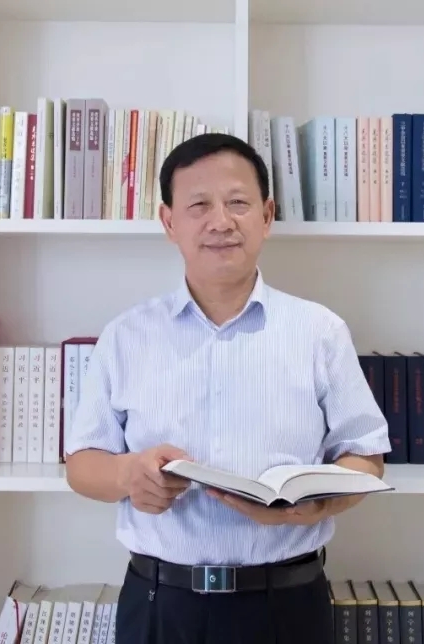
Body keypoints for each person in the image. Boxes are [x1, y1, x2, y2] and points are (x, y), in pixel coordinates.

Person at [64, 132, 391, 644]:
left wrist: (317, 505)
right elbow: (82, 464)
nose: (220, 221)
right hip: (159, 603)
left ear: (267, 215)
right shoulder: (126, 335)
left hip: (287, 603)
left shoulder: (319, 331)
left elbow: (367, 458)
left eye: (238, 203)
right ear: (169, 222)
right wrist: (130, 474)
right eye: (199, 205)